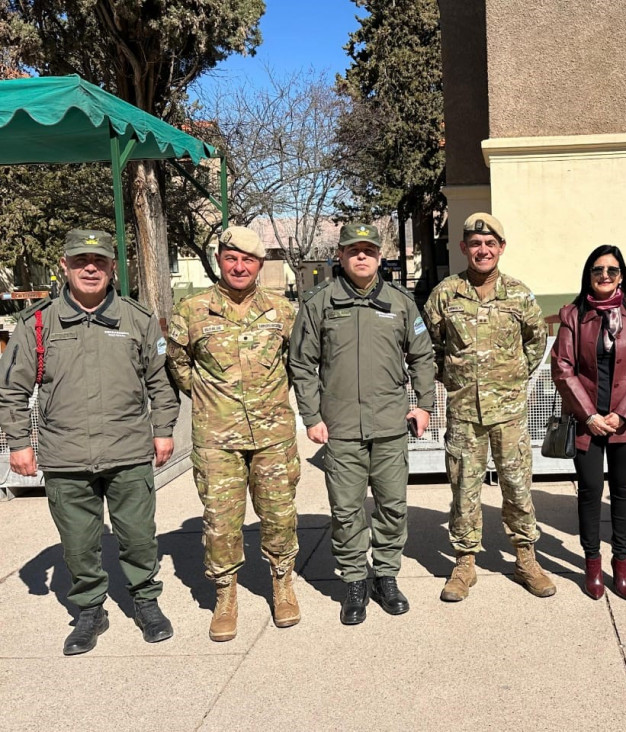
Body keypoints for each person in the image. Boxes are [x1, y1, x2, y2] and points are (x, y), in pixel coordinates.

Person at [0, 229, 179, 655]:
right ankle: (89, 611)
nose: (90, 268)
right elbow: (11, 389)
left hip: (128, 451)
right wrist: (19, 443)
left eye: (99, 260)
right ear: (65, 266)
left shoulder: (138, 319)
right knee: (79, 543)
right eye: (81, 261)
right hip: (67, 456)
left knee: (138, 537)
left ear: (112, 266)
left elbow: (161, 381)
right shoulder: (37, 324)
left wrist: (164, 429)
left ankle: (146, 602)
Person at [290, 222, 435, 625]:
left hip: (390, 426)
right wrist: (311, 416)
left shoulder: (401, 303)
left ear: (379, 256)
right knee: (347, 510)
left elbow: (422, 356)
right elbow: (301, 362)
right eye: (353, 250)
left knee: (392, 506)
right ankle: (354, 580)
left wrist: (424, 405)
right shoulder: (319, 303)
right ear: (340, 256)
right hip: (340, 429)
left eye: (368, 250)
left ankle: (385, 576)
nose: (361, 256)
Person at [167, 226, 301, 641]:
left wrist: (269, 400)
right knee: (221, 522)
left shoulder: (284, 311)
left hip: (272, 436)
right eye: (231, 258)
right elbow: (178, 364)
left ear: (260, 265)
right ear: (220, 261)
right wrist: (214, 399)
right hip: (216, 438)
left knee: (279, 514)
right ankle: (225, 595)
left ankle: (282, 583)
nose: (239, 266)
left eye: (248, 260)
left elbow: (298, 365)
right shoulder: (192, 310)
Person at [423, 212, 555, 601]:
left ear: (501, 248)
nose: (483, 250)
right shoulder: (445, 294)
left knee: (517, 487)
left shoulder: (519, 294)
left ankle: (526, 558)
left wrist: (511, 380)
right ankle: (464, 562)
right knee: (464, 489)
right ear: (464, 248)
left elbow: (536, 340)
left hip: (509, 414)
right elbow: (428, 346)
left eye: (490, 243)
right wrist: (452, 379)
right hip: (464, 414)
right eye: (475, 244)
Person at [551, 245, 626, 600]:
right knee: (590, 491)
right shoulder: (572, 313)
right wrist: (590, 415)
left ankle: (622, 564)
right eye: (598, 270)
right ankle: (592, 563)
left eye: (612, 270)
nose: (605, 276)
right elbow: (563, 368)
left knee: (624, 492)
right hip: (587, 421)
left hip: (625, 421)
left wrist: (621, 413)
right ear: (589, 275)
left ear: (621, 275)